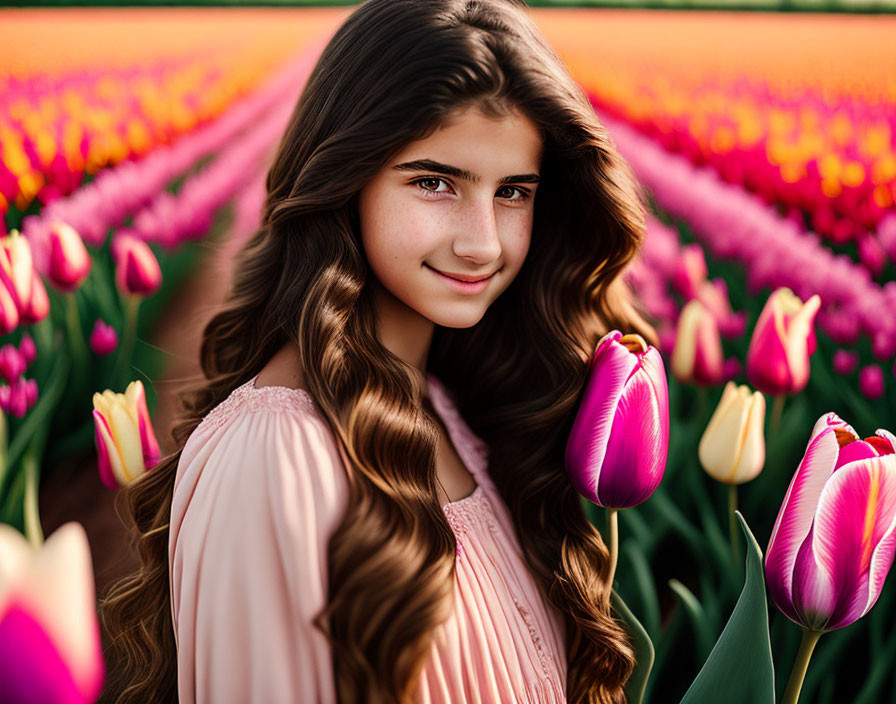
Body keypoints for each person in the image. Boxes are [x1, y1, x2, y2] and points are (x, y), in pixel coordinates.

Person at [97, 0, 657, 702]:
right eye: (435, 182)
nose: (482, 241)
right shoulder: (274, 457)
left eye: (513, 192)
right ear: (344, 178)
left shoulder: (456, 410)